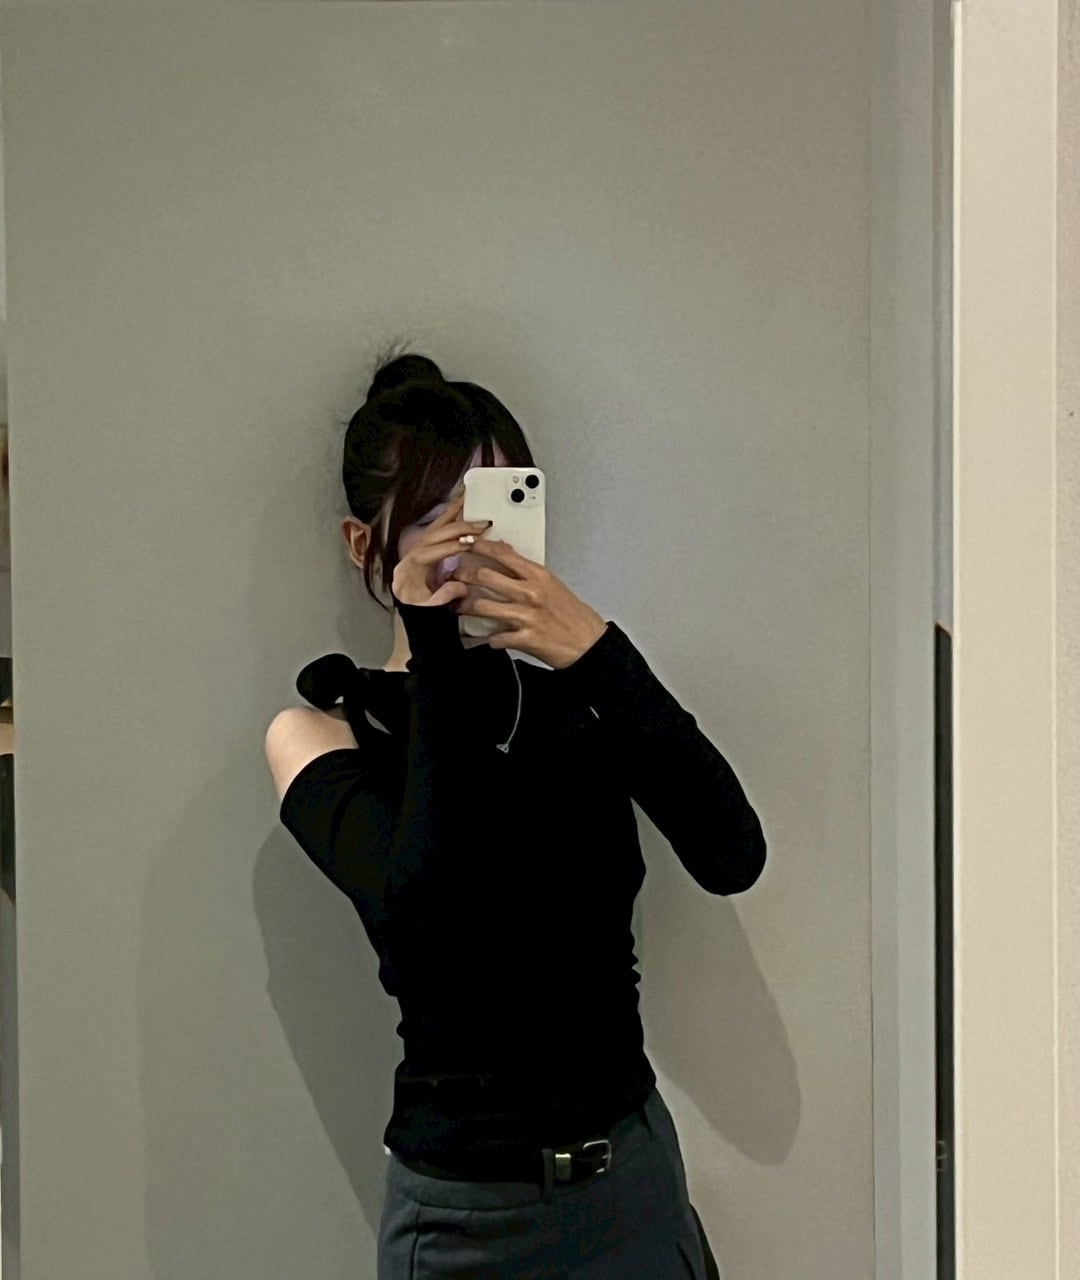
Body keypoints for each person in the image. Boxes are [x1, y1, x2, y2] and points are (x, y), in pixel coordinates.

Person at [266, 347, 765, 1278]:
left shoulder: (577, 702)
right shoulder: (321, 735)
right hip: (464, 1226)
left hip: (633, 1186)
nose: (473, 548)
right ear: (364, 545)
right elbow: (426, 920)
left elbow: (731, 852)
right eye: (437, 519)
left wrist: (600, 655)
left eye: (496, 511)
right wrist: (436, 653)